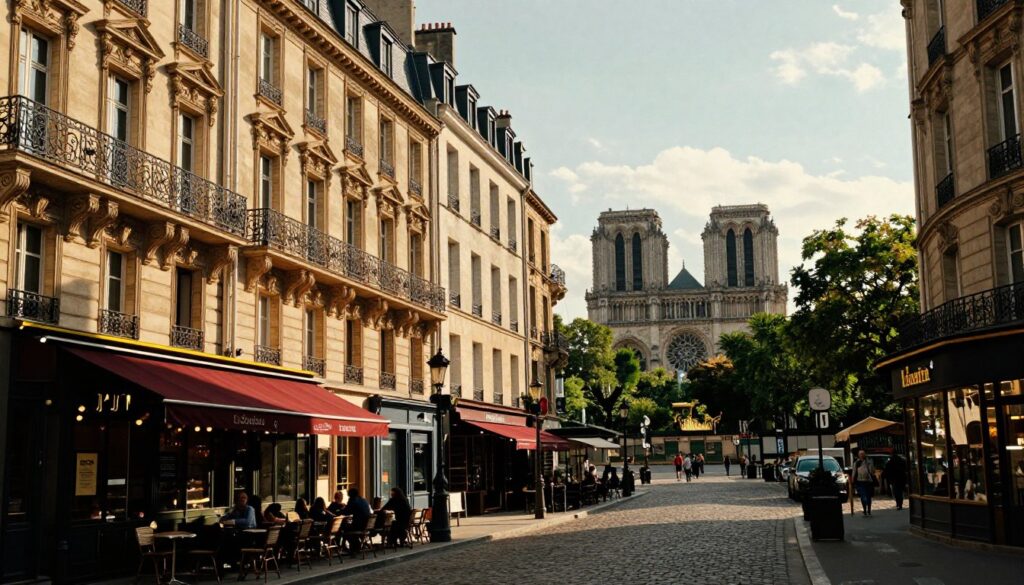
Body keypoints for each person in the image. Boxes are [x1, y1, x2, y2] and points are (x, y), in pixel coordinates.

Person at [343, 488, 372, 556]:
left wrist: (339, 511)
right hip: (366, 525)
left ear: (350, 494)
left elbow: (346, 512)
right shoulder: (364, 500)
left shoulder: (353, 500)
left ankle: (354, 547)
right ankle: (356, 545)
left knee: (344, 528)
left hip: (359, 526)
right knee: (348, 527)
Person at [852, 450, 876, 516]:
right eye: (860, 454)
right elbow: (854, 471)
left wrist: (870, 465)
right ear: (858, 455)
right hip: (860, 481)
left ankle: (869, 510)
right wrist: (853, 479)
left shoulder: (868, 462)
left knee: (868, 496)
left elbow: (872, 471)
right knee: (863, 496)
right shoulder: (856, 463)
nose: (862, 455)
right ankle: (865, 510)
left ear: (865, 454)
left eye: (863, 454)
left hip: (868, 481)